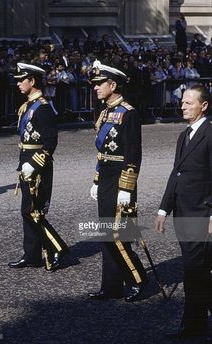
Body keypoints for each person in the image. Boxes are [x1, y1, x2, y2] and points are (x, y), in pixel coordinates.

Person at [155, 84, 212, 339]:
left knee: (194, 271)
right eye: (182, 102)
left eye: (189, 102)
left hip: (202, 214)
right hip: (183, 214)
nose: (183, 106)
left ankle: (192, 325)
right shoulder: (184, 135)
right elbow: (176, 173)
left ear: (204, 106)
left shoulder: (210, 133)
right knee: (197, 271)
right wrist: (163, 208)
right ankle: (195, 324)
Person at [88, 61, 147, 302]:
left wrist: (127, 186)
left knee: (118, 235)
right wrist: (96, 179)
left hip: (122, 181)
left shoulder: (128, 113)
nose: (95, 88)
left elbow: (133, 153)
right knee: (106, 234)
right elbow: (103, 152)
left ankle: (138, 280)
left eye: (100, 83)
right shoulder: (104, 112)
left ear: (113, 85)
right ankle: (111, 286)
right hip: (106, 179)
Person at [8, 63, 69, 272]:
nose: (17, 84)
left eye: (21, 80)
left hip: (37, 167)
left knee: (32, 212)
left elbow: (50, 142)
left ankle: (57, 248)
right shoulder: (27, 106)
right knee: (27, 211)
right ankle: (31, 254)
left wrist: (34, 164)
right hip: (26, 163)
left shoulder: (42, 107)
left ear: (32, 81)